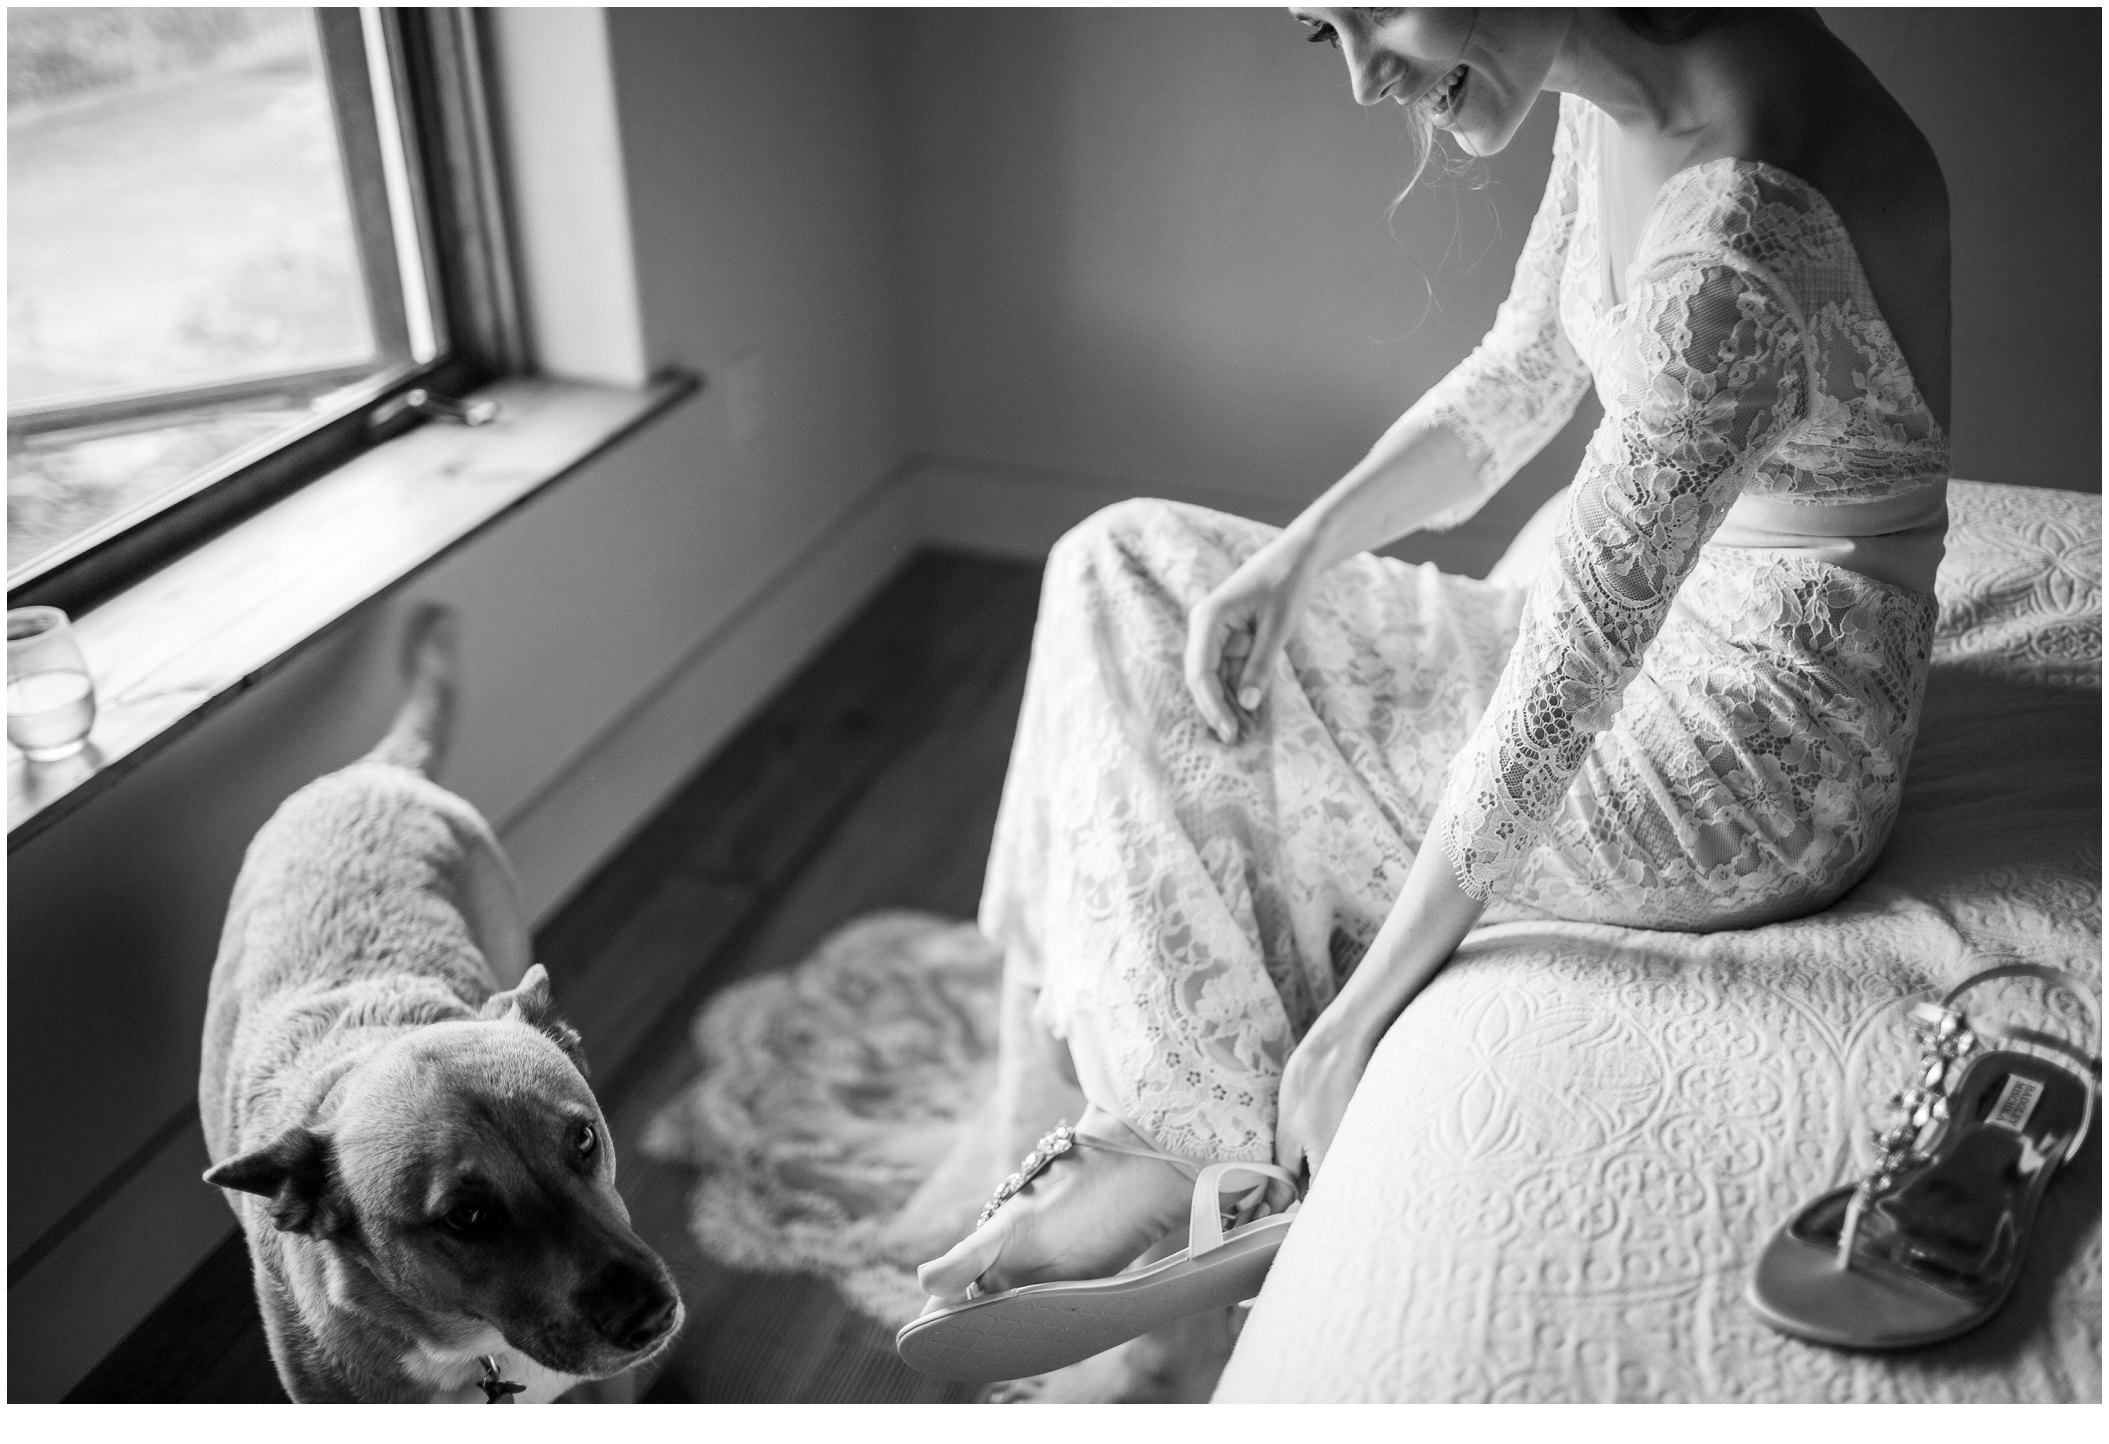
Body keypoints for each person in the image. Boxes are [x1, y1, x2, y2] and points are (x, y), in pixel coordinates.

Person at [915, 7, 1952, 1308]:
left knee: (1214, 744)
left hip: (1754, 772)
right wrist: (1295, 556)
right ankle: (1165, 1113)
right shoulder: (1610, 76)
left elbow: (1572, 669)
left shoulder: (1737, 218)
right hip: (1655, 641)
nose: (1360, 81)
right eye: (1318, 33)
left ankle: (1190, 1144)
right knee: (1117, 559)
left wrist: (1345, 1039)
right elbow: (1522, 368)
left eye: (1375, 10)